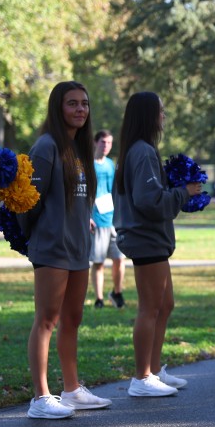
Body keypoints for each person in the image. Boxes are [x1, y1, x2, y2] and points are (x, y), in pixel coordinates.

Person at [21, 81, 111, 419]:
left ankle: (71, 390)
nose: (80, 109)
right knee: (47, 319)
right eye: (72, 103)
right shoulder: (46, 147)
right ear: (58, 107)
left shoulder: (80, 149)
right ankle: (40, 397)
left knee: (73, 319)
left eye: (84, 103)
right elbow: (28, 202)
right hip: (52, 248)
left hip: (78, 249)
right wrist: (39, 235)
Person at [113, 92, 200, 397]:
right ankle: (141, 378)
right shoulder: (142, 152)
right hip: (145, 238)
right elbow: (149, 201)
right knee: (150, 308)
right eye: (160, 111)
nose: (164, 116)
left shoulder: (140, 150)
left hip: (152, 239)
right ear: (148, 116)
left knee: (165, 304)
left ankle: (154, 368)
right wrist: (184, 192)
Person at [90, 129, 126, 309]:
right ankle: (99, 299)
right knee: (99, 262)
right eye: (103, 142)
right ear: (95, 143)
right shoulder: (88, 165)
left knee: (119, 259)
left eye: (109, 143)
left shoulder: (111, 164)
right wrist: (87, 216)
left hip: (114, 219)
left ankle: (117, 293)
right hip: (97, 219)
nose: (106, 146)